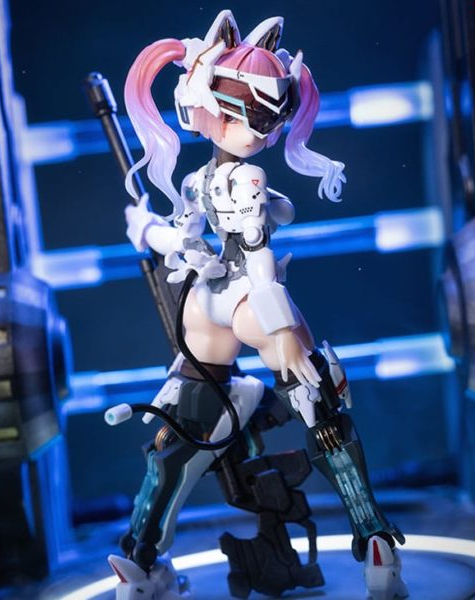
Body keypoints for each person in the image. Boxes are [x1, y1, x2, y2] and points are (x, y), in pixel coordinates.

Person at [107, 10, 408, 600]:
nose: (263, 130)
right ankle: (375, 544)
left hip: (207, 303)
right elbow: (254, 252)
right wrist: (282, 328)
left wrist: (143, 229)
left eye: (271, 115)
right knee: (319, 407)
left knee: (187, 422)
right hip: (247, 296)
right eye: (252, 113)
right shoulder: (242, 181)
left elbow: (184, 240)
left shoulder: (198, 179)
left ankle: (139, 559)